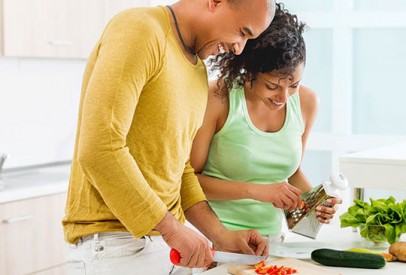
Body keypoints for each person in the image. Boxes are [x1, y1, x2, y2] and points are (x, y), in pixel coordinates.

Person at [62, 0, 276, 274]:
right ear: (216, 2)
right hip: (115, 245)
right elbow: (99, 148)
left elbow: (179, 168)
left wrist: (222, 237)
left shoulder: (198, 70)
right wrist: (171, 229)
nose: (238, 48)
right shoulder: (140, 29)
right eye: (242, 32)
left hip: (169, 248)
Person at [190, 3, 342, 243]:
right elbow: (189, 179)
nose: (283, 98)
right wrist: (255, 190)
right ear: (249, 71)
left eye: (294, 85)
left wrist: (315, 202)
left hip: (272, 242)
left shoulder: (307, 103)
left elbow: (291, 173)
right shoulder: (218, 97)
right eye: (272, 86)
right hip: (215, 240)